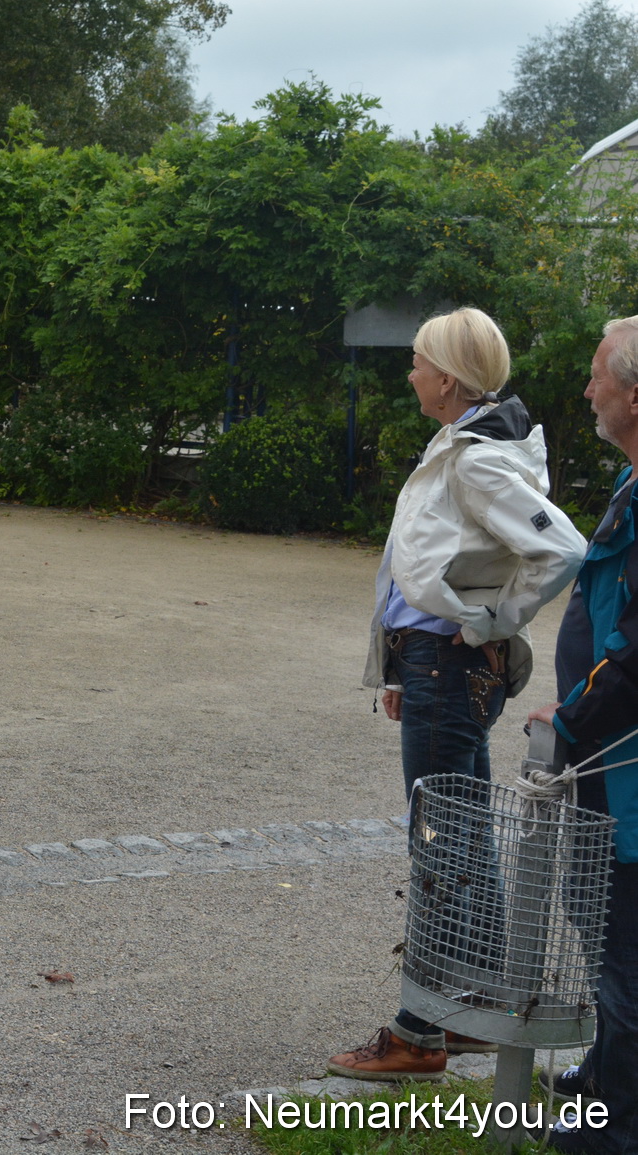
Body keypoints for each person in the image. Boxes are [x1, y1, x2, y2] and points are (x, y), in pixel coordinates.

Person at [328, 306, 587, 1081]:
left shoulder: (475, 458)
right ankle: (473, 1000)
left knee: (441, 840)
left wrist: (493, 620)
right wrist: (402, 664)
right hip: (437, 664)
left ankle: (419, 1032)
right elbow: (432, 560)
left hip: (448, 663)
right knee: (463, 833)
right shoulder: (467, 443)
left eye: (418, 361)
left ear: (446, 379)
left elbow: (562, 547)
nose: (409, 372)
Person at [526, 315, 638, 1155]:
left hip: (625, 767)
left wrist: (568, 720)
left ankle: (618, 1128)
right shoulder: (631, 481)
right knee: (601, 923)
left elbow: (633, 653)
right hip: (608, 762)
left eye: (599, 375)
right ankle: (606, 1073)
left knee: (624, 948)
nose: (588, 388)